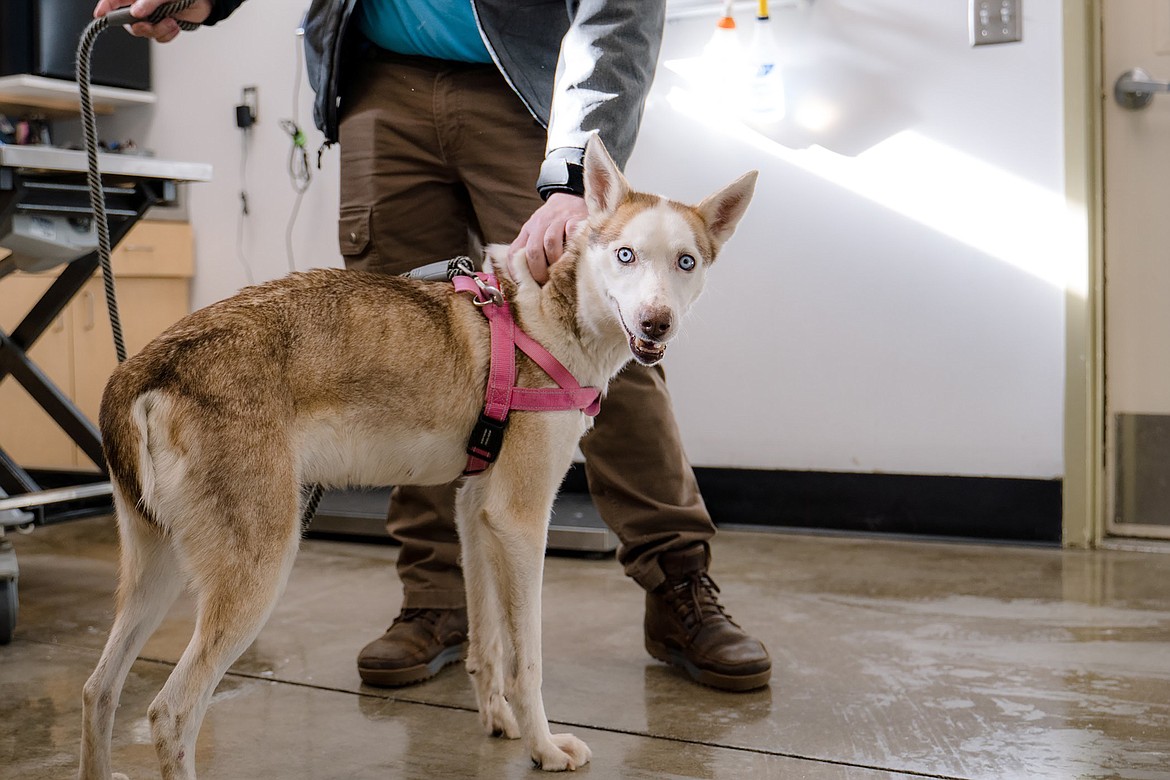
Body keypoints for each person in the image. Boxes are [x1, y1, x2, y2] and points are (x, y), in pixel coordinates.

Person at [95, 0, 772, 693]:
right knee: (391, 360)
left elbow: (620, 9)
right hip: (380, 84)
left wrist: (573, 173)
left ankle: (678, 586)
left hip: (522, 82)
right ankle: (434, 600)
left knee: (600, 326)